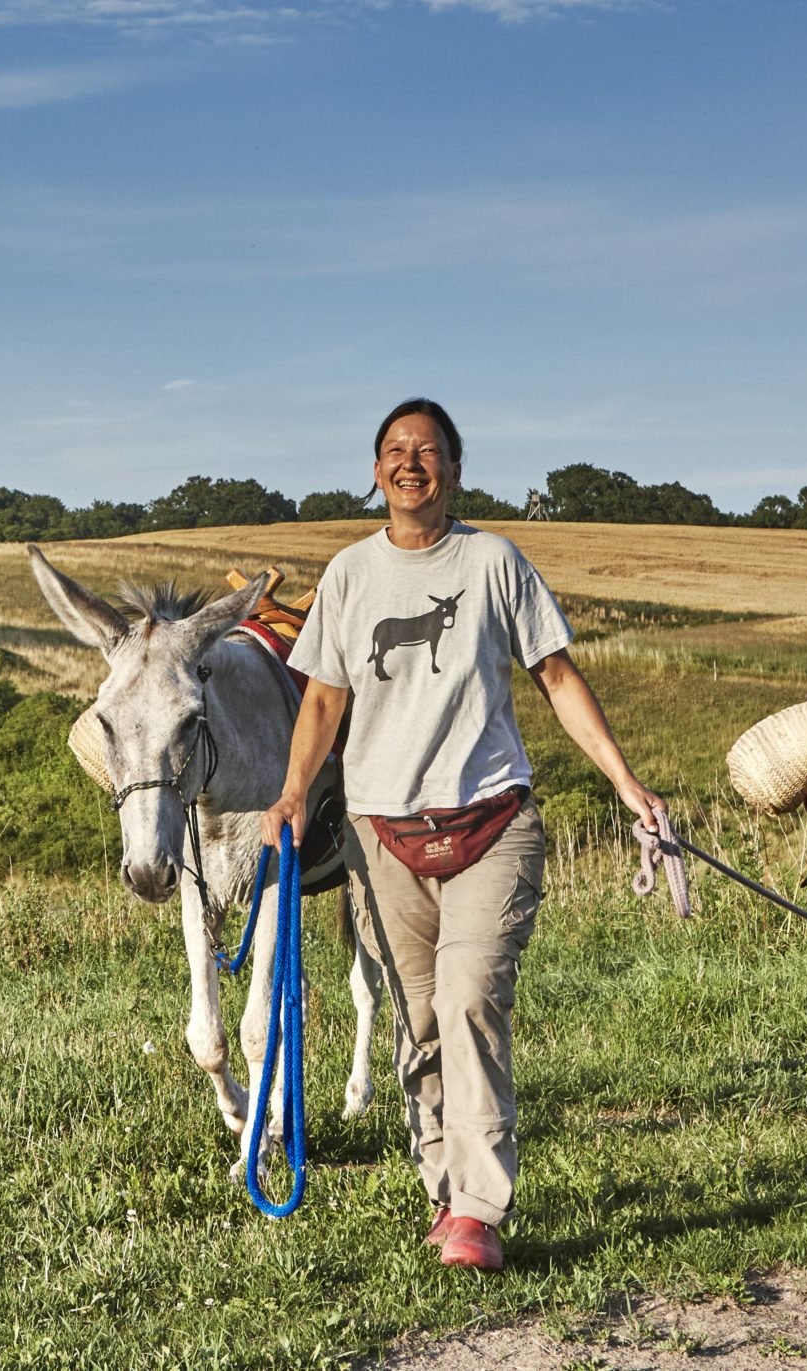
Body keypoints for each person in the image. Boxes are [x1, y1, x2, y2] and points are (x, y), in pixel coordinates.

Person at [264, 398, 665, 1272]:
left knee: (469, 997)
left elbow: (555, 675)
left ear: (453, 467)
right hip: (385, 833)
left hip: (492, 819)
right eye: (396, 450)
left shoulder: (493, 562)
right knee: (416, 1016)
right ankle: (444, 1186)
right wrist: (294, 792)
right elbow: (325, 698)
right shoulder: (349, 575)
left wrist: (625, 781)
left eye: (430, 450)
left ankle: (480, 1207)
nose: (413, 463)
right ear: (376, 471)